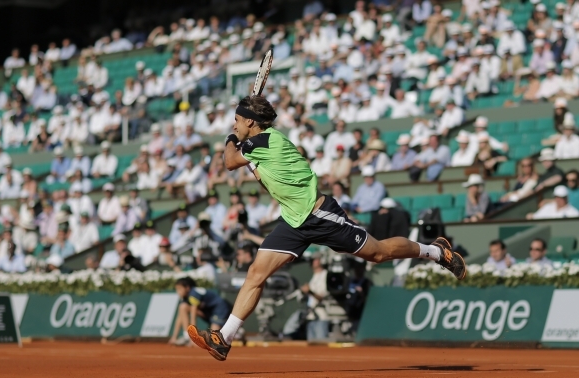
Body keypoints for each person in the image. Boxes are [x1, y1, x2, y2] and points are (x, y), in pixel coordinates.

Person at [187, 95, 466, 361]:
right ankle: (224, 338)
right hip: (293, 220)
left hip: (318, 214)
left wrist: (231, 137)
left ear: (250, 122)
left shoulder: (264, 140)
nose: (234, 124)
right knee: (255, 274)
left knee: (378, 253)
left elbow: (229, 161)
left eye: (237, 119)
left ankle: (436, 252)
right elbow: (262, 178)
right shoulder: (259, 145)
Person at [170, 277, 232, 345]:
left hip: (220, 309)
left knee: (214, 338)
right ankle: (186, 336)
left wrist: (194, 337)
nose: (178, 292)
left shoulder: (193, 294)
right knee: (183, 307)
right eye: (177, 289)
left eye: (179, 289)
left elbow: (193, 315)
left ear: (187, 288)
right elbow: (180, 316)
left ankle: (238, 333)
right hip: (208, 312)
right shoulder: (185, 297)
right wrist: (174, 337)